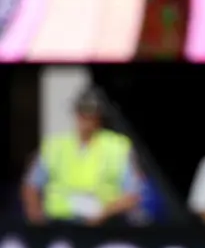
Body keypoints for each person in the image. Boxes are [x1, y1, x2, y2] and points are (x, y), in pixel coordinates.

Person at [21, 90, 141, 226]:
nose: (85, 118)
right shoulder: (55, 146)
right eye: (82, 112)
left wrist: (104, 214)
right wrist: (36, 216)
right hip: (58, 223)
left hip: (104, 224)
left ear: (99, 116)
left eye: (91, 113)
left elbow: (132, 194)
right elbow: (31, 185)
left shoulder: (117, 146)